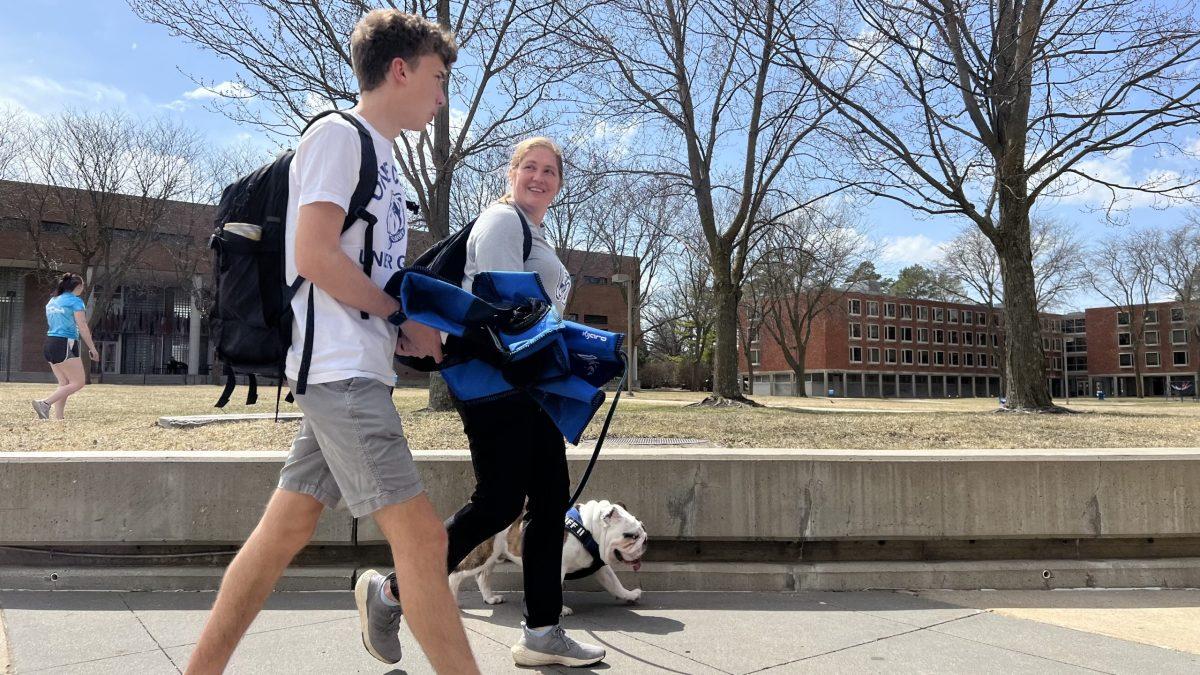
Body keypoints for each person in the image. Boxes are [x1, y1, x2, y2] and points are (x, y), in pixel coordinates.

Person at [186, 10, 479, 675]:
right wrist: (393, 314)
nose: (441, 98)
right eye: (436, 80)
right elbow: (314, 255)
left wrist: (407, 315)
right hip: (340, 375)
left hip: (351, 375)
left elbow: (357, 264)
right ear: (398, 70)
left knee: (282, 531)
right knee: (425, 540)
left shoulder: (384, 159)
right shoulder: (339, 136)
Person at [358, 137, 606, 668]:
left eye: (550, 171)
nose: (539, 177)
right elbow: (502, 311)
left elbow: (534, 318)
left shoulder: (533, 230)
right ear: (511, 173)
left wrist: (584, 356)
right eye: (530, 168)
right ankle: (394, 593)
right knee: (501, 501)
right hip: (497, 384)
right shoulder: (502, 222)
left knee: (544, 500)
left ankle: (542, 631)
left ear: (559, 184)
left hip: (523, 386)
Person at [32, 273, 98, 420]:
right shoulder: (75, 301)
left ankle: (59, 418)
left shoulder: (52, 301)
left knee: (64, 383)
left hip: (50, 342)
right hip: (65, 342)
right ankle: (45, 403)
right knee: (79, 382)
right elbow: (82, 326)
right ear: (78, 286)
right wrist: (92, 348)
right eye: (83, 287)